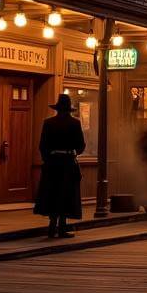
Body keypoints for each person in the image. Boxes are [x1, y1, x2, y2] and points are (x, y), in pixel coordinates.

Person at [34, 94, 86, 238]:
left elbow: (42, 145)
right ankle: (62, 227)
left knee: (52, 193)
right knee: (67, 194)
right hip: (68, 163)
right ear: (69, 109)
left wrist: (48, 159)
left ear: (57, 109)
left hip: (52, 163)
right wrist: (73, 154)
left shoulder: (48, 123)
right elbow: (81, 146)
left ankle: (52, 226)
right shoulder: (75, 123)